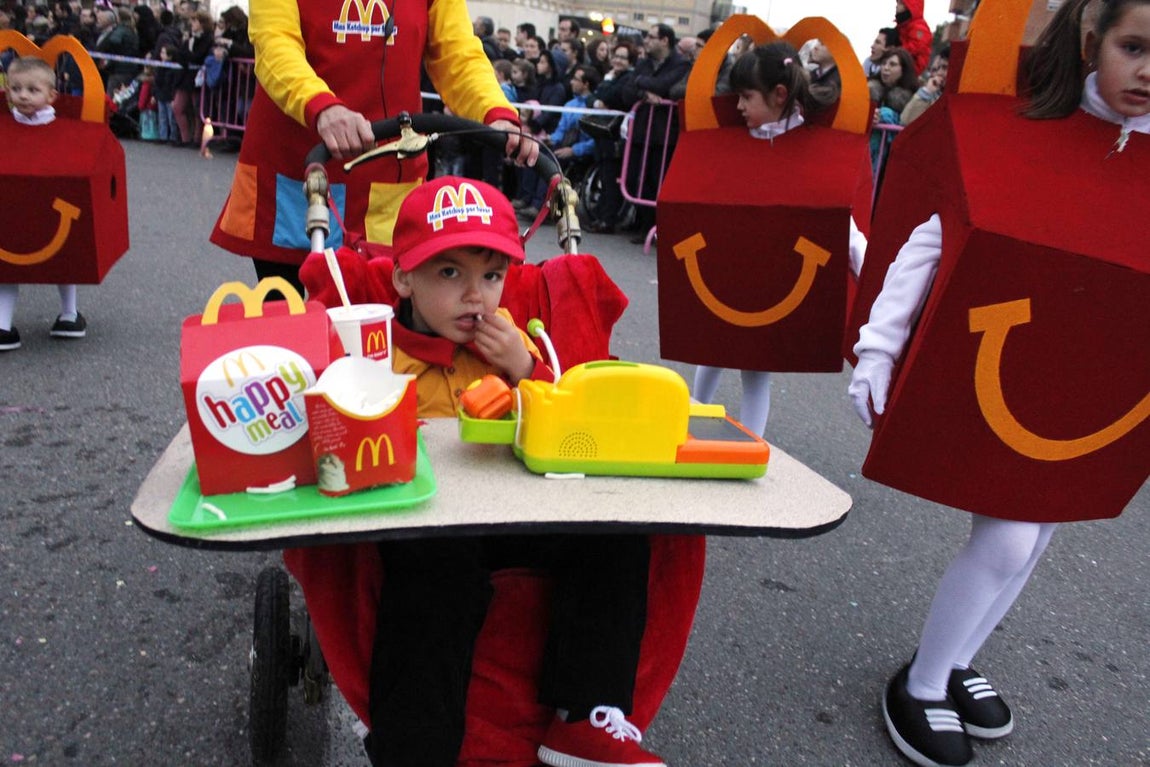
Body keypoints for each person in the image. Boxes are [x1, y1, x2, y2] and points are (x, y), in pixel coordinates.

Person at [848, 2, 1150, 765]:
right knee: (1011, 534)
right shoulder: (1016, 130)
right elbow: (930, 237)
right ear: (1091, 43)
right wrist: (878, 348)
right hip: (1008, 373)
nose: (1148, 72)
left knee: (1038, 535)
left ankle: (953, 661)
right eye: (1135, 46)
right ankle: (920, 683)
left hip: (1089, 392)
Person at [361, 176, 660, 767]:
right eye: (450, 274)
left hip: (516, 512)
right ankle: (414, 748)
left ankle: (584, 719)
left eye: (492, 276)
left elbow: (570, 429)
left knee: (617, 529)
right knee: (432, 579)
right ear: (403, 278)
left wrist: (524, 368)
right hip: (429, 524)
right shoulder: (376, 353)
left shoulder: (519, 344)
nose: (476, 296)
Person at [207, 0, 536, 291]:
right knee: (286, 320)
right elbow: (274, 44)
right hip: (295, 171)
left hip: (386, 175)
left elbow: (457, 55)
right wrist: (322, 106)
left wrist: (496, 113)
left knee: (381, 316)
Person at [691, 42, 868, 436]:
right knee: (711, 345)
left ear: (779, 95)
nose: (738, 106)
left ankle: (754, 444)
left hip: (774, 274)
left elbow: (840, 222)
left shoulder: (808, 149)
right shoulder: (740, 140)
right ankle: (693, 422)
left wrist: (870, 275)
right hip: (734, 262)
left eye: (747, 97)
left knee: (755, 369)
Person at [0, 57, 86, 352]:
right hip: (11, 211)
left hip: (53, 210)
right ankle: (2, 324)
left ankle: (69, 313)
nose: (23, 95)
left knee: (64, 257)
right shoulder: (6, 126)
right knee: (5, 267)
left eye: (32, 90)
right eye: (16, 88)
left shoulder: (65, 129)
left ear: (51, 95)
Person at [620, 23, 691, 243]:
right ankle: (640, 220)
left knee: (655, 180)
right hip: (641, 131)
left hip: (663, 134)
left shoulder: (680, 64)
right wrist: (644, 91)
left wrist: (641, 84)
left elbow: (666, 87)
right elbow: (627, 91)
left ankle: (650, 227)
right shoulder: (643, 63)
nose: (646, 41)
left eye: (651, 37)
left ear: (664, 41)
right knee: (631, 178)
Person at [901, 46, 949, 125]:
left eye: (944, 68)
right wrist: (926, 92)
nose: (938, 73)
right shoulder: (930, 95)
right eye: (937, 69)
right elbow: (905, 121)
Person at [894, 0, 933, 75]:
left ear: (909, 7)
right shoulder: (904, 25)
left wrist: (893, 52)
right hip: (903, 65)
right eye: (897, 3)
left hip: (911, 69)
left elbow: (915, 47)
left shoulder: (919, 27)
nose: (897, 6)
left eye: (901, 3)